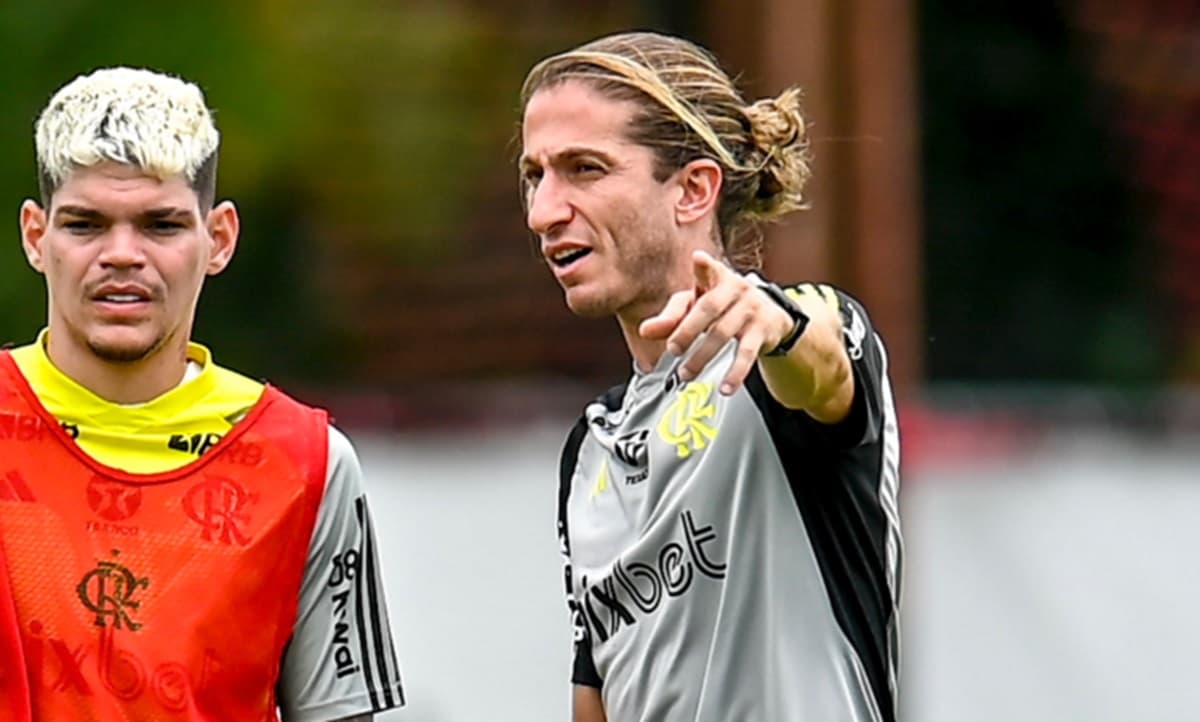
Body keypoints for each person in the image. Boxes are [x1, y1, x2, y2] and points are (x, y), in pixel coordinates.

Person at [517, 31, 903, 722]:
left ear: (693, 190)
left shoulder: (771, 355)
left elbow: (821, 360)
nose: (544, 211)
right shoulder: (592, 449)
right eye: (534, 175)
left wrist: (781, 323)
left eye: (585, 169)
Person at [0, 67, 405, 721]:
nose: (122, 254)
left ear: (218, 238)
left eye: (160, 226)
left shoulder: (309, 464)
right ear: (35, 236)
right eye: (86, 225)